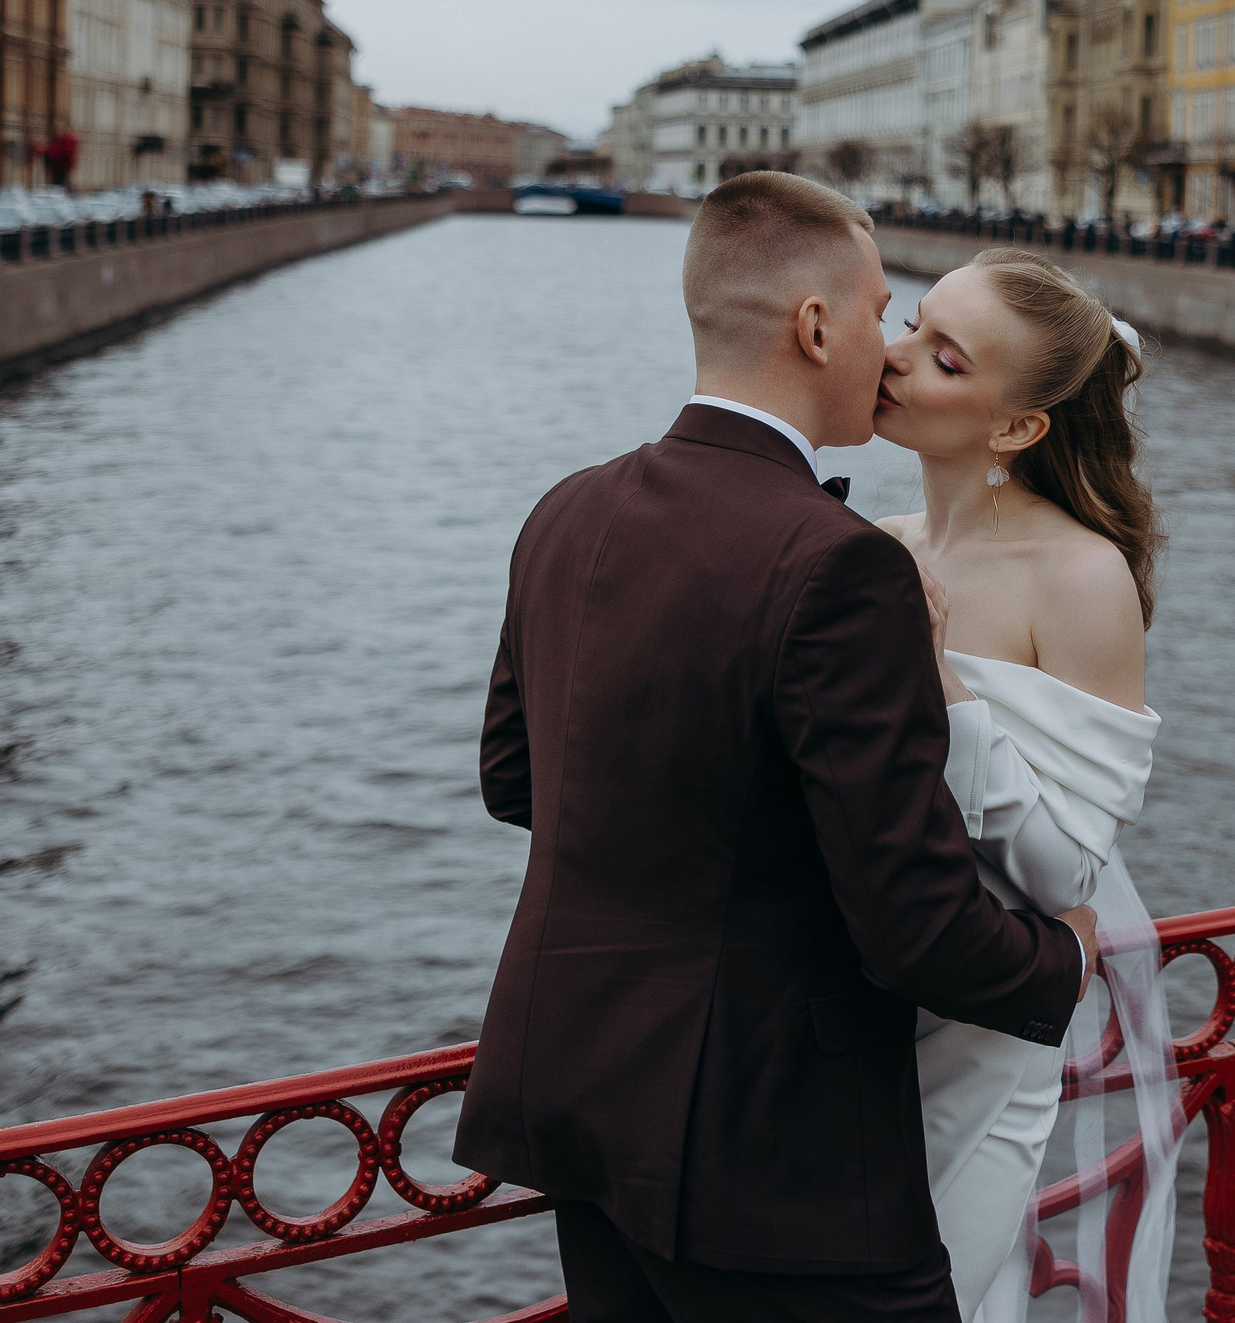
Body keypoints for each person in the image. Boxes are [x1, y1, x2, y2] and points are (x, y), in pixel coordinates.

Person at [456, 171, 1099, 1323]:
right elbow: (914, 924)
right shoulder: (842, 563)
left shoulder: (567, 506)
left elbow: (517, 779)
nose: (889, 346)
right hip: (777, 1160)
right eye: (878, 312)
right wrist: (1065, 958)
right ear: (814, 326)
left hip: (582, 1104)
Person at [872, 251, 1172, 1323]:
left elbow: (1064, 873)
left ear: (1014, 428)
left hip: (978, 1050)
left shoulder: (1079, 575)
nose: (892, 356)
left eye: (941, 358)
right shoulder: (874, 541)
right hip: (847, 1026)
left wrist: (940, 671)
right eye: (909, 324)